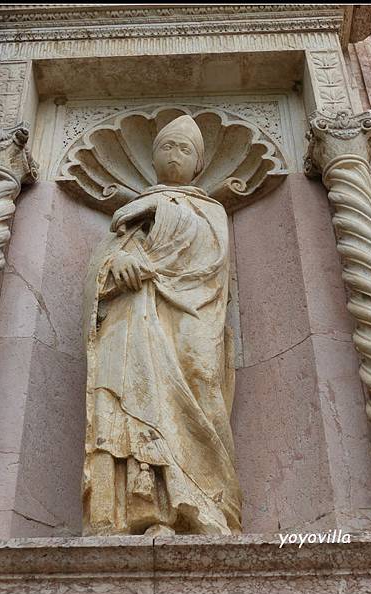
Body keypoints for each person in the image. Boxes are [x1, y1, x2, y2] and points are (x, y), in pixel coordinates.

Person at [83, 115, 242, 536]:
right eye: (166, 147)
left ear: (199, 164)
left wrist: (165, 210)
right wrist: (119, 265)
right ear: (151, 157)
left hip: (190, 318)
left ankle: (206, 506)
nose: (174, 155)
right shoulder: (131, 213)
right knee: (129, 398)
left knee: (201, 383)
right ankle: (139, 511)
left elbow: (211, 262)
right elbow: (102, 267)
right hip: (131, 320)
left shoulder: (209, 210)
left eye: (184, 149)